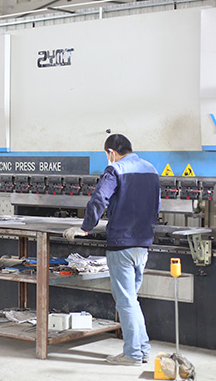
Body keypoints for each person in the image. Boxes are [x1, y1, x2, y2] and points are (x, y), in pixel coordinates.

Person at [63, 134, 160, 366]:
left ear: (111, 153)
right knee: (132, 300)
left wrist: (85, 227)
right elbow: (156, 205)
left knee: (125, 302)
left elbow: (99, 198)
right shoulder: (151, 169)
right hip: (143, 243)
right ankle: (142, 349)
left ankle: (132, 355)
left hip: (122, 245)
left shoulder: (115, 169)